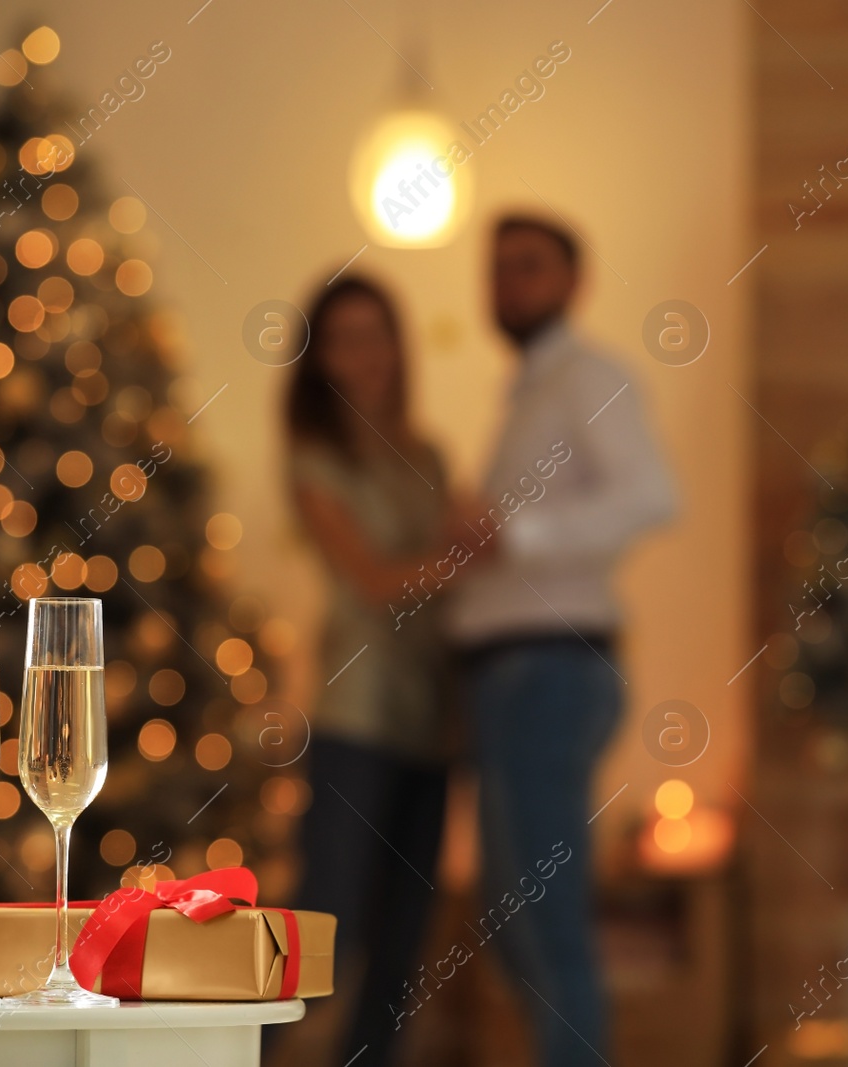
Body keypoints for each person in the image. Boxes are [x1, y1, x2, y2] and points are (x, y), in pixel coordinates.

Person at [450, 215, 678, 1067]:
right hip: (511, 679)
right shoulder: (527, 394)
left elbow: (652, 496)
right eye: (498, 269)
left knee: (548, 934)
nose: (509, 283)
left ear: (574, 281)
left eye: (529, 266)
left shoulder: (589, 378)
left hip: (544, 673)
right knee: (519, 933)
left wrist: (514, 536)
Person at [284, 275, 459, 1066]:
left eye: (376, 334)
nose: (367, 355)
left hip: (434, 720)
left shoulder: (427, 455)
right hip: (356, 716)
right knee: (331, 925)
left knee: (403, 942)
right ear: (320, 359)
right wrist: (463, 557)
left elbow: (452, 568)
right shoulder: (315, 462)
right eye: (346, 338)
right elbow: (373, 578)